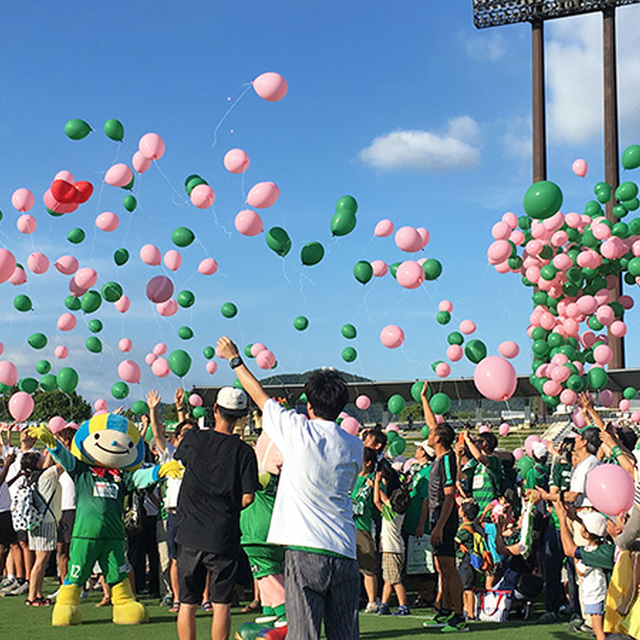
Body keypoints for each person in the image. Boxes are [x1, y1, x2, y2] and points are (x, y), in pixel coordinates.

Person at [217, 335, 363, 640]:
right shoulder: (353, 445)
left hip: (306, 549)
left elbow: (259, 397)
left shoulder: (298, 431)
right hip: (345, 550)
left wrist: (234, 360)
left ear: (309, 406)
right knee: (345, 635)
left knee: (302, 634)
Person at [174, 386, 259, 640]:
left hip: (189, 533)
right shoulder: (244, 452)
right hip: (223, 534)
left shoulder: (196, 438)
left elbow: (185, 450)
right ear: (242, 416)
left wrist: (181, 410)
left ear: (215, 410)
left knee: (188, 602)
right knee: (221, 602)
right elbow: (248, 497)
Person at [420, 382, 467, 633]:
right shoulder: (440, 454)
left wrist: (439, 525)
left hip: (444, 518)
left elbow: (450, 496)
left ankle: (460, 617)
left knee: (449, 569)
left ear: (438, 439)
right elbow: (431, 424)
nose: (428, 433)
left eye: (433, 432)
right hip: (439, 517)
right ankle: (446, 611)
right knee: (441, 568)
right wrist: (424, 399)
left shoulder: (448, 459)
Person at [147, 388, 195, 612]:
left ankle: (196, 597)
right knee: (173, 560)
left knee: (195, 558)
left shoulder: (199, 455)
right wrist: (153, 411)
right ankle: (176, 597)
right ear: (176, 439)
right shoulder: (172, 454)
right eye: (182, 435)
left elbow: (188, 430)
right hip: (174, 513)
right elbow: (158, 434)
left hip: (194, 514)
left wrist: (180, 408)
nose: (187, 437)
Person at [555, 502, 613, 640]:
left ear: (586, 533)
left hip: (595, 596)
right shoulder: (605, 545)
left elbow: (574, 559)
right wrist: (572, 515)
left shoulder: (590, 551)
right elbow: (589, 528)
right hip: (603, 596)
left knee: (599, 632)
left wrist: (562, 520)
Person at [373, 465, 410, 616]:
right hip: (396, 548)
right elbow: (385, 500)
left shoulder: (390, 514)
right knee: (388, 578)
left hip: (391, 549)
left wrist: (375, 483)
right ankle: (384, 604)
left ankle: (403, 605)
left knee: (395, 580)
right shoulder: (399, 512)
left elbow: (377, 500)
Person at [351, 446, 378, 613]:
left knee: (367, 566)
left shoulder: (371, 481)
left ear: (367, 463)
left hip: (362, 527)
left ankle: (372, 600)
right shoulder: (351, 479)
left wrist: (375, 487)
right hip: (346, 526)